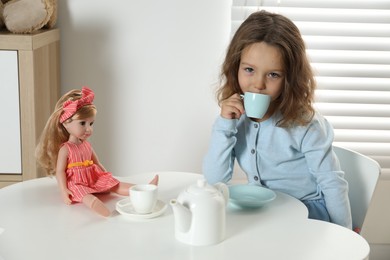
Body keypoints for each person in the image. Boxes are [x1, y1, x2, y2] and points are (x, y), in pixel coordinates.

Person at [203, 10, 352, 229]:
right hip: (265, 212)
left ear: (290, 77)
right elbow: (214, 181)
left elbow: (332, 183)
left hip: (306, 213)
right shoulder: (237, 118)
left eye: (273, 74)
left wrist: (345, 235)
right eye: (249, 70)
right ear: (236, 68)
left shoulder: (305, 125)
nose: (258, 84)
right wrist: (225, 125)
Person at [36, 86, 158, 217]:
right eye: (82, 123)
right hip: (76, 182)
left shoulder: (87, 145)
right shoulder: (66, 149)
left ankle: (143, 189)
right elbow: (60, 171)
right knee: (82, 193)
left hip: (92, 176)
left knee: (114, 184)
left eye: (91, 124)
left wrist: (106, 176)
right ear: (66, 123)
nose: (88, 129)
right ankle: (103, 210)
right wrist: (64, 190)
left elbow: (96, 162)